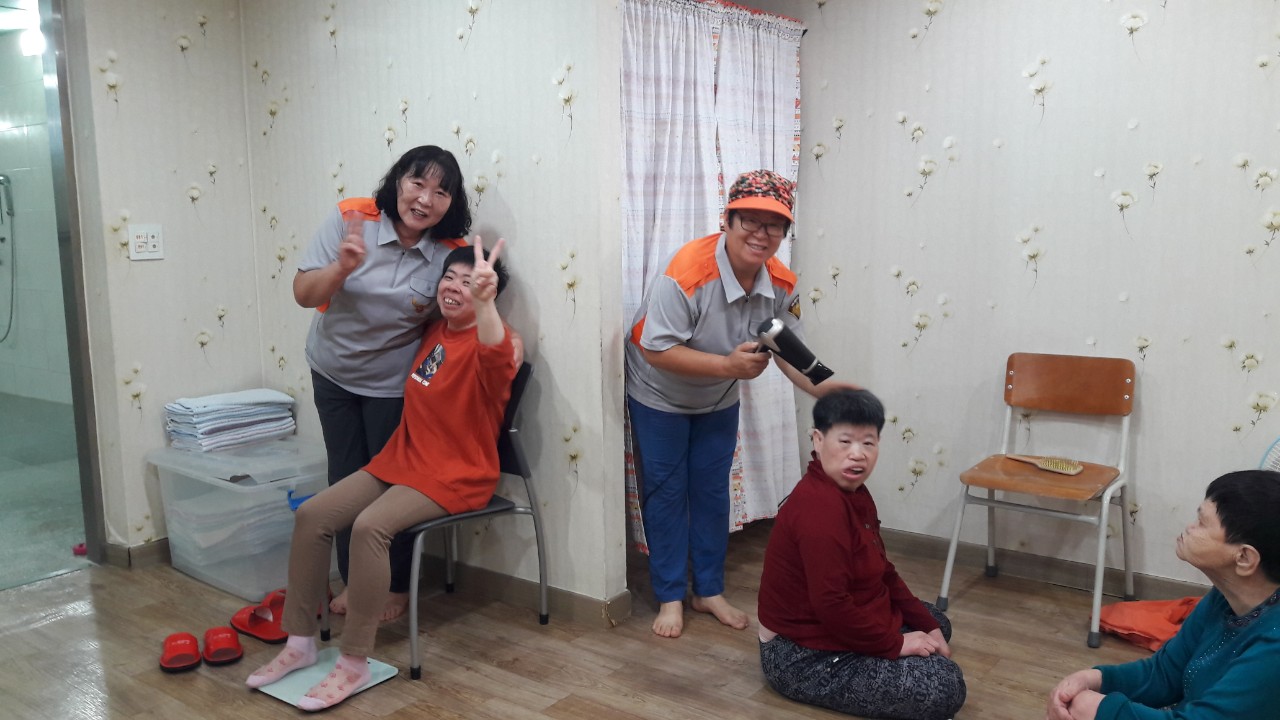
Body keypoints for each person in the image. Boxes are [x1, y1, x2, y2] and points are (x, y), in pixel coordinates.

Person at [248, 239, 518, 711]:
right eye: (449, 278)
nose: (454, 288)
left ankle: (353, 661)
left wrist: (485, 303)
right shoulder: (435, 330)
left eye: (467, 282)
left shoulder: (496, 341)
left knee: (370, 527)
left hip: (457, 474)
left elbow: (497, 357)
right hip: (403, 460)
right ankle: (300, 643)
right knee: (313, 515)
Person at [625, 169, 851, 638]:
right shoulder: (687, 273)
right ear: (726, 220)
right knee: (667, 494)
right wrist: (728, 366)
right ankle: (670, 595)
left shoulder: (781, 283)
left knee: (712, 493)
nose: (761, 234)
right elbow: (655, 349)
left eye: (774, 225)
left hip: (717, 398)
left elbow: (789, 351)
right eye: (750, 220)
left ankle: (707, 591)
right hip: (659, 394)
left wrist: (829, 390)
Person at [295, 145, 473, 622]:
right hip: (332, 371)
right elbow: (303, 294)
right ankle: (354, 581)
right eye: (417, 183)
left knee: (395, 487)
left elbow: (460, 314)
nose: (425, 199)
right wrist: (341, 268)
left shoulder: (449, 252)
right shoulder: (351, 219)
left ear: (451, 203)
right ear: (397, 182)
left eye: (441, 192)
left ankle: (394, 585)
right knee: (344, 478)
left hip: (393, 386)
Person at [756, 388, 966, 720]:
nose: (858, 454)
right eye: (845, 441)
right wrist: (897, 644)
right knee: (944, 685)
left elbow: (883, 570)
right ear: (818, 440)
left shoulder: (854, 492)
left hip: (840, 619)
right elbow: (831, 604)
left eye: (868, 443)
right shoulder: (819, 509)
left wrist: (925, 626)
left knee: (936, 622)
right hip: (800, 655)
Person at [1047, 469, 1280, 720]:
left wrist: (1102, 710)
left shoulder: (1273, 648)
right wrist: (1095, 679)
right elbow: (1164, 674)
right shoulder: (1224, 598)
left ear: (1244, 558)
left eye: (1202, 523)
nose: (1189, 528)